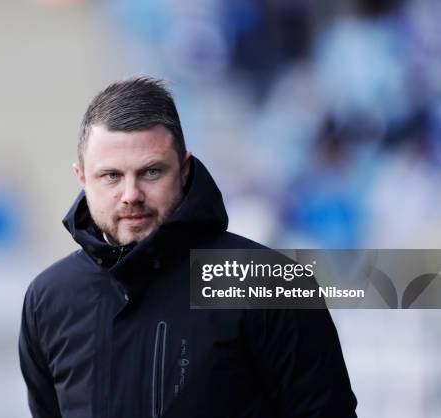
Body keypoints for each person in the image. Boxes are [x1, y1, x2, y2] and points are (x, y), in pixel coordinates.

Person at [18, 77, 358, 418]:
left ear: (183, 169)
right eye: (111, 176)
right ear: (82, 178)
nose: (131, 195)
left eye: (151, 172)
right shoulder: (48, 301)